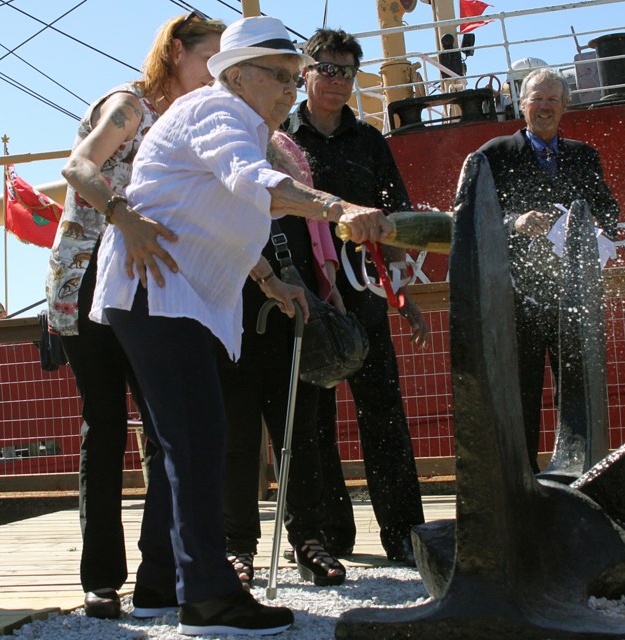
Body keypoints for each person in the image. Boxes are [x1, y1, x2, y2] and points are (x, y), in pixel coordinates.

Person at [88, 16, 392, 636]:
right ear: (239, 73)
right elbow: (252, 184)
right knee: (198, 442)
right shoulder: (219, 112)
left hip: (175, 297)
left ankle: (161, 591)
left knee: (193, 440)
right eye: (279, 77)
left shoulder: (239, 123)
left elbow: (236, 203)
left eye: (292, 77)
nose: (290, 89)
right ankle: (207, 598)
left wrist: (270, 279)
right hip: (159, 296)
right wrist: (336, 207)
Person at [45, 11, 226, 619]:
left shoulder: (191, 121)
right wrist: (122, 214)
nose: (218, 73)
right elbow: (78, 166)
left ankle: (159, 575)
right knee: (105, 426)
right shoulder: (129, 105)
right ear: (177, 50)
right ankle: (101, 578)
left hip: (152, 283)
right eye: (211, 57)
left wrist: (265, 276)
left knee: (167, 427)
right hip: (93, 272)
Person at [284, 28, 428, 567]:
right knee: (316, 422)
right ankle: (331, 539)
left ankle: (405, 537)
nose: (337, 80)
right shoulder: (280, 138)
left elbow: (396, 227)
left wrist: (403, 298)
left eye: (346, 71)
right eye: (327, 68)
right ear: (306, 71)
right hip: (309, 300)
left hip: (366, 297)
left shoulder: (370, 142)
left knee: (385, 414)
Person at [476, 67, 620, 472]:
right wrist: (515, 223)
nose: (544, 107)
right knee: (519, 393)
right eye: (536, 99)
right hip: (517, 298)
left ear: (565, 106)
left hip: (574, 298)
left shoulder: (584, 156)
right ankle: (520, 478)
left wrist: (595, 225)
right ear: (521, 105)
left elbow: (609, 210)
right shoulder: (493, 155)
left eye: (552, 100)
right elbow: (473, 216)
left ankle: (581, 475)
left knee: (578, 390)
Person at [220, 131, 346, 589]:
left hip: (295, 315)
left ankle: (308, 538)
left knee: (300, 435)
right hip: (233, 318)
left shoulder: (286, 151)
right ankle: (237, 545)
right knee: (236, 440)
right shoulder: (221, 151)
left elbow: (316, 231)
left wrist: (329, 286)